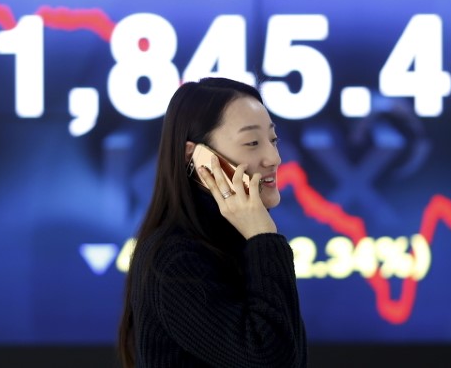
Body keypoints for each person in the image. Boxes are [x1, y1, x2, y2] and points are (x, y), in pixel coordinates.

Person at [117, 77, 308, 367]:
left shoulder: (234, 241)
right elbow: (271, 361)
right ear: (196, 157)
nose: (274, 158)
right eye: (252, 142)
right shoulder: (174, 259)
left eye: (273, 139)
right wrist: (263, 237)